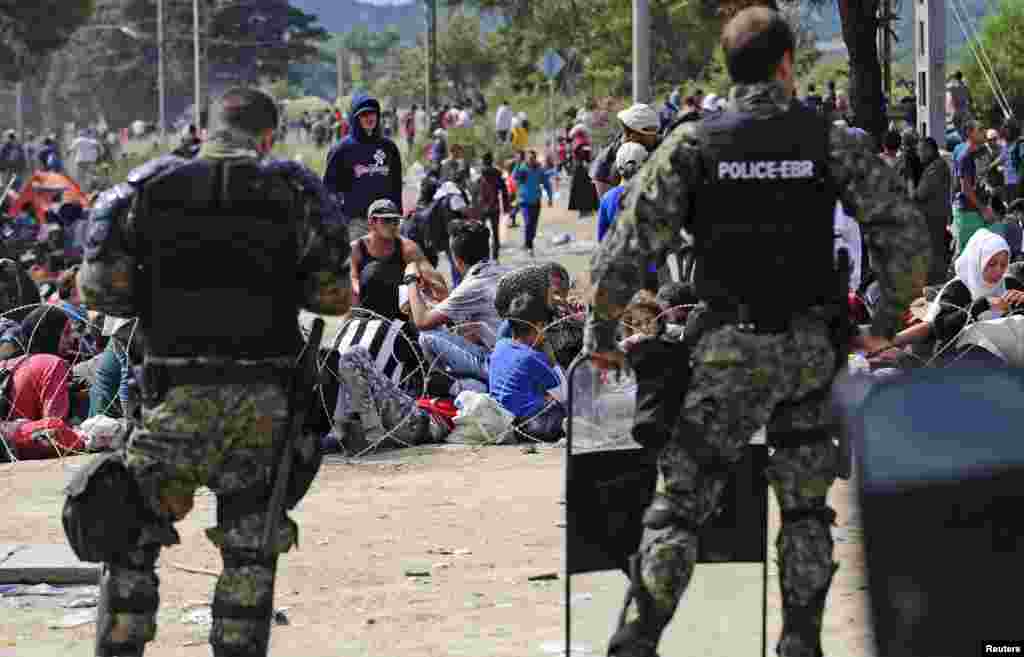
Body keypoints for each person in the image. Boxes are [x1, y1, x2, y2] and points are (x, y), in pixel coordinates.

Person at [585, 8, 930, 657]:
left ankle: (639, 635)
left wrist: (600, 331)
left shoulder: (696, 143)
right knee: (805, 509)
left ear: (730, 69)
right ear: (786, 65)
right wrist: (881, 325)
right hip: (808, 352)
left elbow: (625, 250)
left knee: (681, 501)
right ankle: (800, 637)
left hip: (727, 354)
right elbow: (905, 234)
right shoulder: (826, 137)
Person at [72, 87, 353, 657]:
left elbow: (100, 291)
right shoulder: (294, 191)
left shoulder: (147, 190)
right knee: (250, 556)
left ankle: (122, 645)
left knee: (131, 540)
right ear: (268, 136)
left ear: (206, 131)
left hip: (172, 397)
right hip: (262, 402)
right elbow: (333, 298)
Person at [886, 229, 1023, 363]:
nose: (998, 270)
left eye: (1003, 265)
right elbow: (942, 329)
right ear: (977, 261)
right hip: (963, 361)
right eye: (992, 264)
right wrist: (983, 305)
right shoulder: (958, 289)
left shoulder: (1010, 284)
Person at [408, 221, 509, 386]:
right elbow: (470, 327)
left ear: (458, 260)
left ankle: (451, 387)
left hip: (498, 366)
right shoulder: (504, 272)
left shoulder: (474, 284)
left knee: (427, 337)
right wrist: (439, 298)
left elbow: (422, 321)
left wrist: (410, 279)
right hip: (515, 356)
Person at [488, 291, 566, 443]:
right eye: (545, 326)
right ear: (538, 326)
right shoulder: (532, 357)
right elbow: (564, 395)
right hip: (535, 426)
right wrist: (552, 359)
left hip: (504, 420)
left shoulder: (500, 346)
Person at [350, 198, 443, 321]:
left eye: (396, 220)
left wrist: (446, 309)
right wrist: (369, 291)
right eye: (387, 220)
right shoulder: (356, 248)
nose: (393, 225)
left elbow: (435, 280)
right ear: (372, 221)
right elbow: (353, 278)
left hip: (400, 311)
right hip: (366, 308)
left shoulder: (408, 248)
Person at [323, 92, 404, 224]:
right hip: (355, 221)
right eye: (364, 114)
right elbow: (329, 188)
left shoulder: (389, 147)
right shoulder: (342, 149)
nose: (369, 117)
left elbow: (396, 185)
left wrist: (398, 215)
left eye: (373, 113)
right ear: (355, 118)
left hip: (385, 220)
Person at [597, 142, 659, 291]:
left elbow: (602, 239)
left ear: (618, 167)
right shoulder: (651, 195)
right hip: (646, 267)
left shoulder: (607, 198)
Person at [590, 103, 661, 197]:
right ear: (634, 137)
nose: (655, 136)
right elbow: (608, 205)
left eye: (655, 131)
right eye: (651, 132)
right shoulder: (605, 163)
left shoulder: (661, 144)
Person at [914, 136, 954, 283]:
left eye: (921, 151)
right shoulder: (937, 166)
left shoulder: (935, 168)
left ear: (929, 150)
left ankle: (934, 283)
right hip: (933, 218)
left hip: (932, 219)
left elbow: (921, 193)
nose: (919, 155)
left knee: (933, 254)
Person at [953, 120, 994, 258]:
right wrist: (983, 209)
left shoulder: (979, 151)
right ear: (970, 133)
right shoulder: (965, 156)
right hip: (968, 211)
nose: (984, 132)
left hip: (977, 210)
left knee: (979, 255)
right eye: (980, 130)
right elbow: (966, 189)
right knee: (964, 255)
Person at [513, 150, 554, 258]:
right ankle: (528, 245)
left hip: (536, 201)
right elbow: (514, 178)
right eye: (529, 158)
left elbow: (547, 184)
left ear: (535, 159)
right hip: (524, 202)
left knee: (533, 225)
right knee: (528, 223)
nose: (530, 160)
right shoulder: (522, 169)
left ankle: (529, 241)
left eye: (532, 158)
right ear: (526, 159)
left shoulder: (539, 170)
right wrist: (517, 164)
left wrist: (550, 198)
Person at [477, 152, 511, 261]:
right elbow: (504, 191)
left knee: (481, 233)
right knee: (495, 233)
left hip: (482, 208)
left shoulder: (480, 174)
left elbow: (475, 192)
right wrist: (506, 207)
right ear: (491, 161)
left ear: (483, 161)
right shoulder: (497, 174)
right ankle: (495, 258)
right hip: (494, 207)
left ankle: (484, 257)